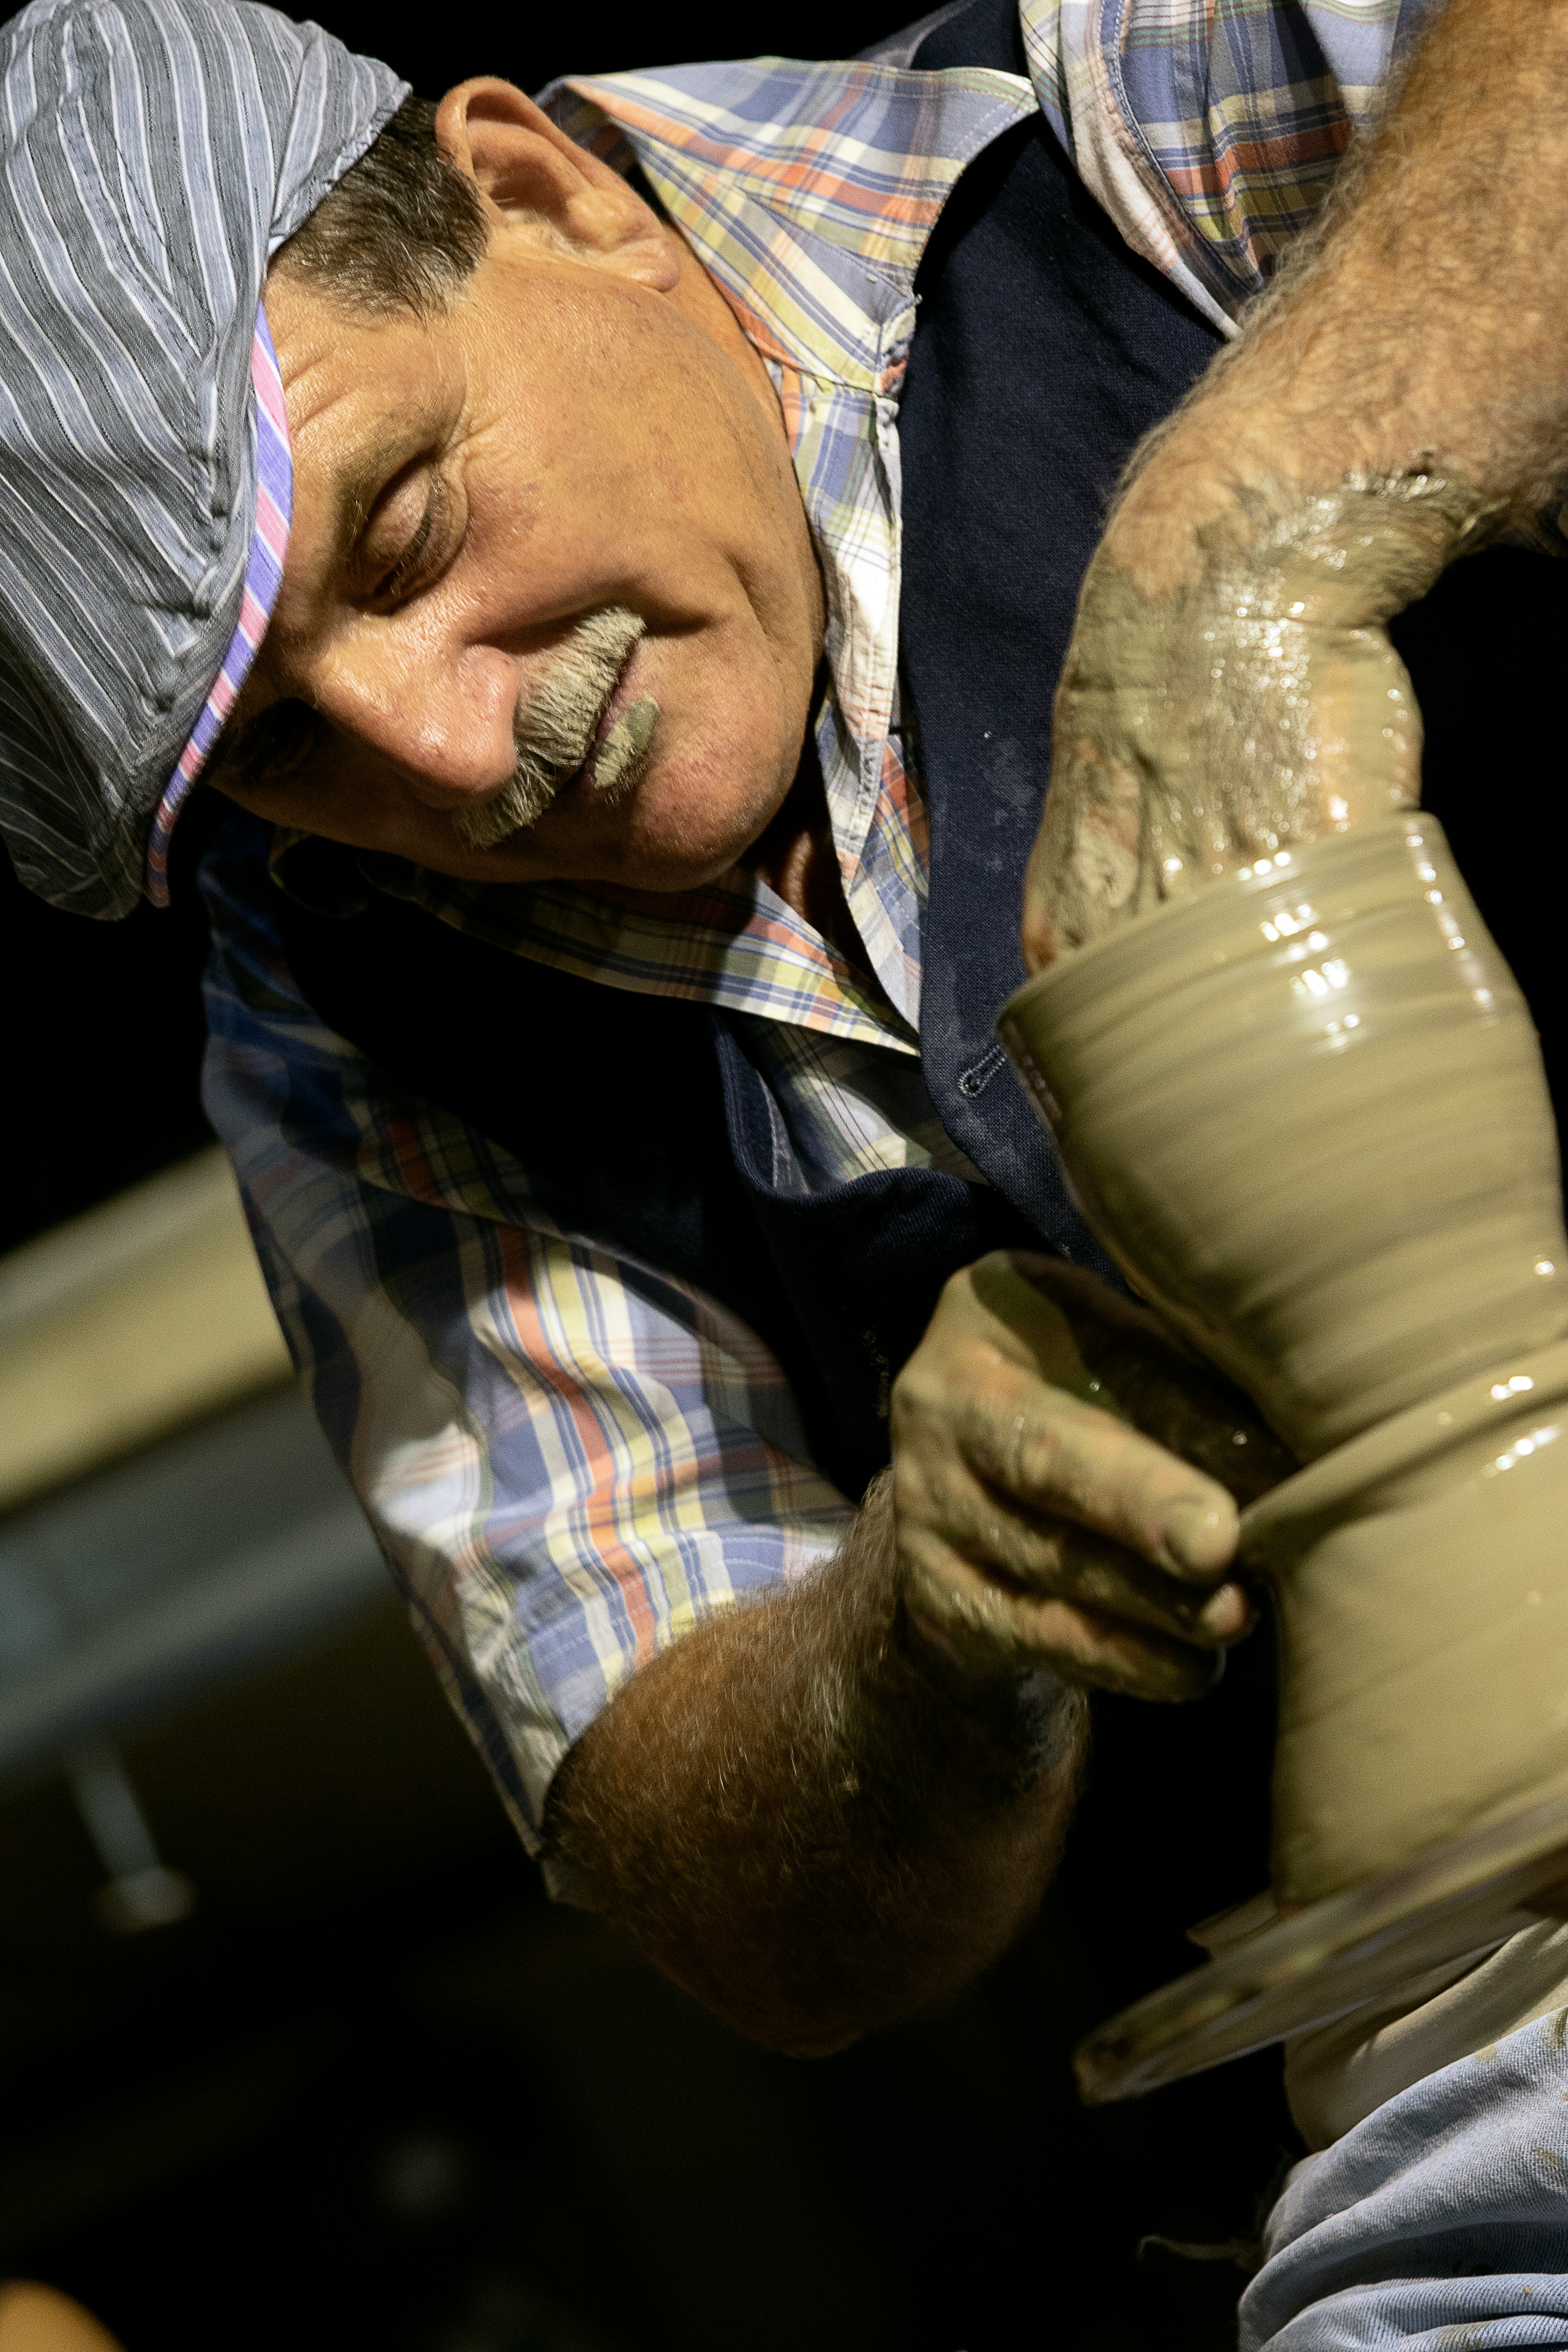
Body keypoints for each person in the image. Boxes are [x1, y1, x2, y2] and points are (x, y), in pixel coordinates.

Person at [4, 0, 1567, 2335]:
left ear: (541, 195)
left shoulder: (1112, 141)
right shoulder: (346, 1017)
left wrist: (1264, 512)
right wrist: (915, 1642)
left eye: (410, 523)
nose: (449, 744)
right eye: (276, 760)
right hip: (1477, 2048)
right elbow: (722, 1882)